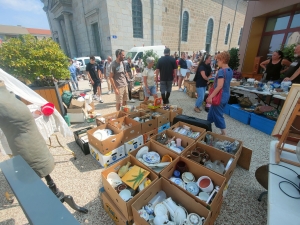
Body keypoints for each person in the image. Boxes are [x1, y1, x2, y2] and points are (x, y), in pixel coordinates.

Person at [206, 51, 233, 135]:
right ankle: (206, 127)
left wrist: (210, 97)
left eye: (218, 60)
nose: (217, 62)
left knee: (218, 115)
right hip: (226, 95)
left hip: (219, 96)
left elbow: (219, 86)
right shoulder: (230, 70)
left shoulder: (221, 71)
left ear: (223, 60)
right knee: (211, 112)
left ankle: (224, 134)